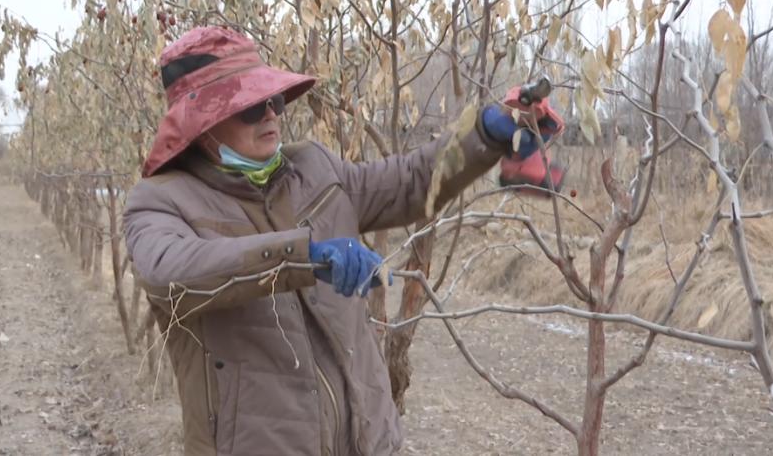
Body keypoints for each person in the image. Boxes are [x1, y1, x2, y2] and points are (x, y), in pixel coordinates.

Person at [122, 26, 562, 456]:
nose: (272, 114)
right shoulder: (160, 202)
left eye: (272, 100)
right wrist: (301, 258)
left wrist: (483, 134)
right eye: (251, 107)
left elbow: (409, 182)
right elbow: (172, 273)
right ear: (203, 124)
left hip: (367, 440)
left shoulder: (312, 168)